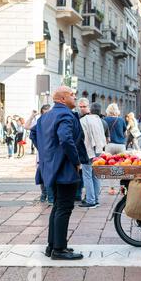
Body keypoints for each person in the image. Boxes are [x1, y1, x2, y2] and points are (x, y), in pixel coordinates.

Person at [30, 86, 84, 260]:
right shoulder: (65, 115)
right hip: (65, 168)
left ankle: (52, 246)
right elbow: (66, 139)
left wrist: (47, 153)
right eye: (72, 95)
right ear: (61, 99)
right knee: (64, 207)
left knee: (58, 206)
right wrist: (76, 161)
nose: (75, 97)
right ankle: (59, 249)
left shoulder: (45, 116)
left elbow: (33, 134)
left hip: (51, 168)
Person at [78, 98, 106, 208]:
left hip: (89, 150)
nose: (82, 108)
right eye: (80, 106)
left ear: (89, 107)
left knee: (88, 176)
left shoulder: (84, 120)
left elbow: (82, 137)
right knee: (95, 175)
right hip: (98, 149)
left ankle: (90, 200)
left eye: (84, 106)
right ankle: (95, 199)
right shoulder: (97, 118)